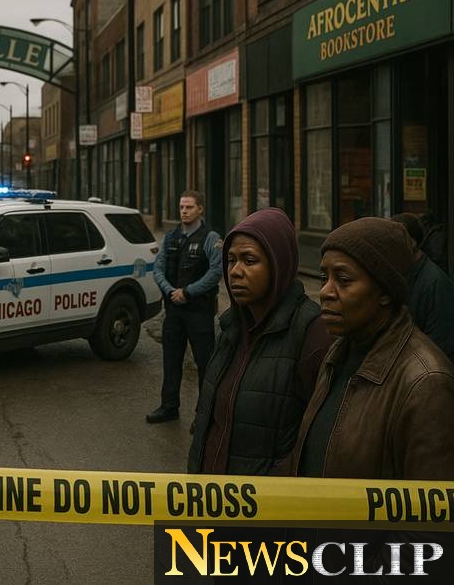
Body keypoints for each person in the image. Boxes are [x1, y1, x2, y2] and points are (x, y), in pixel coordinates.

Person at [290, 218, 454, 576]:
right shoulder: (337, 355)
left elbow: (427, 540)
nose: (326, 291)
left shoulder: (425, 382)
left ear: (384, 291)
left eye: (344, 280)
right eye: (324, 278)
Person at [188, 208, 333, 475]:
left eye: (249, 260)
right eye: (231, 261)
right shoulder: (229, 327)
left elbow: (318, 443)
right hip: (209, 502)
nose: (235, 272)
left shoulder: (312, 334)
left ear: (278, 264)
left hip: (266, 508)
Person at [148, 190, 222, 424]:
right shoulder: (171, 238)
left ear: (200, 209)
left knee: (204, 365)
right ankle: (169, 406)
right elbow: (157, 268)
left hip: (199, 311)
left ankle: (204, 415)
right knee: (171, 361)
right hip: (174, 311)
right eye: (181, 207)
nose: (184, 211)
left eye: (189, 207)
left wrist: (188, 292)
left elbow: (216, 271)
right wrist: (171, 291)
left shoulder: (210, 238)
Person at [392, 212, 454, 361]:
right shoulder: (404, 274)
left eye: (394, 242)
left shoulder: (436, 284)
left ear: (411, 243)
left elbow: (442, 347)